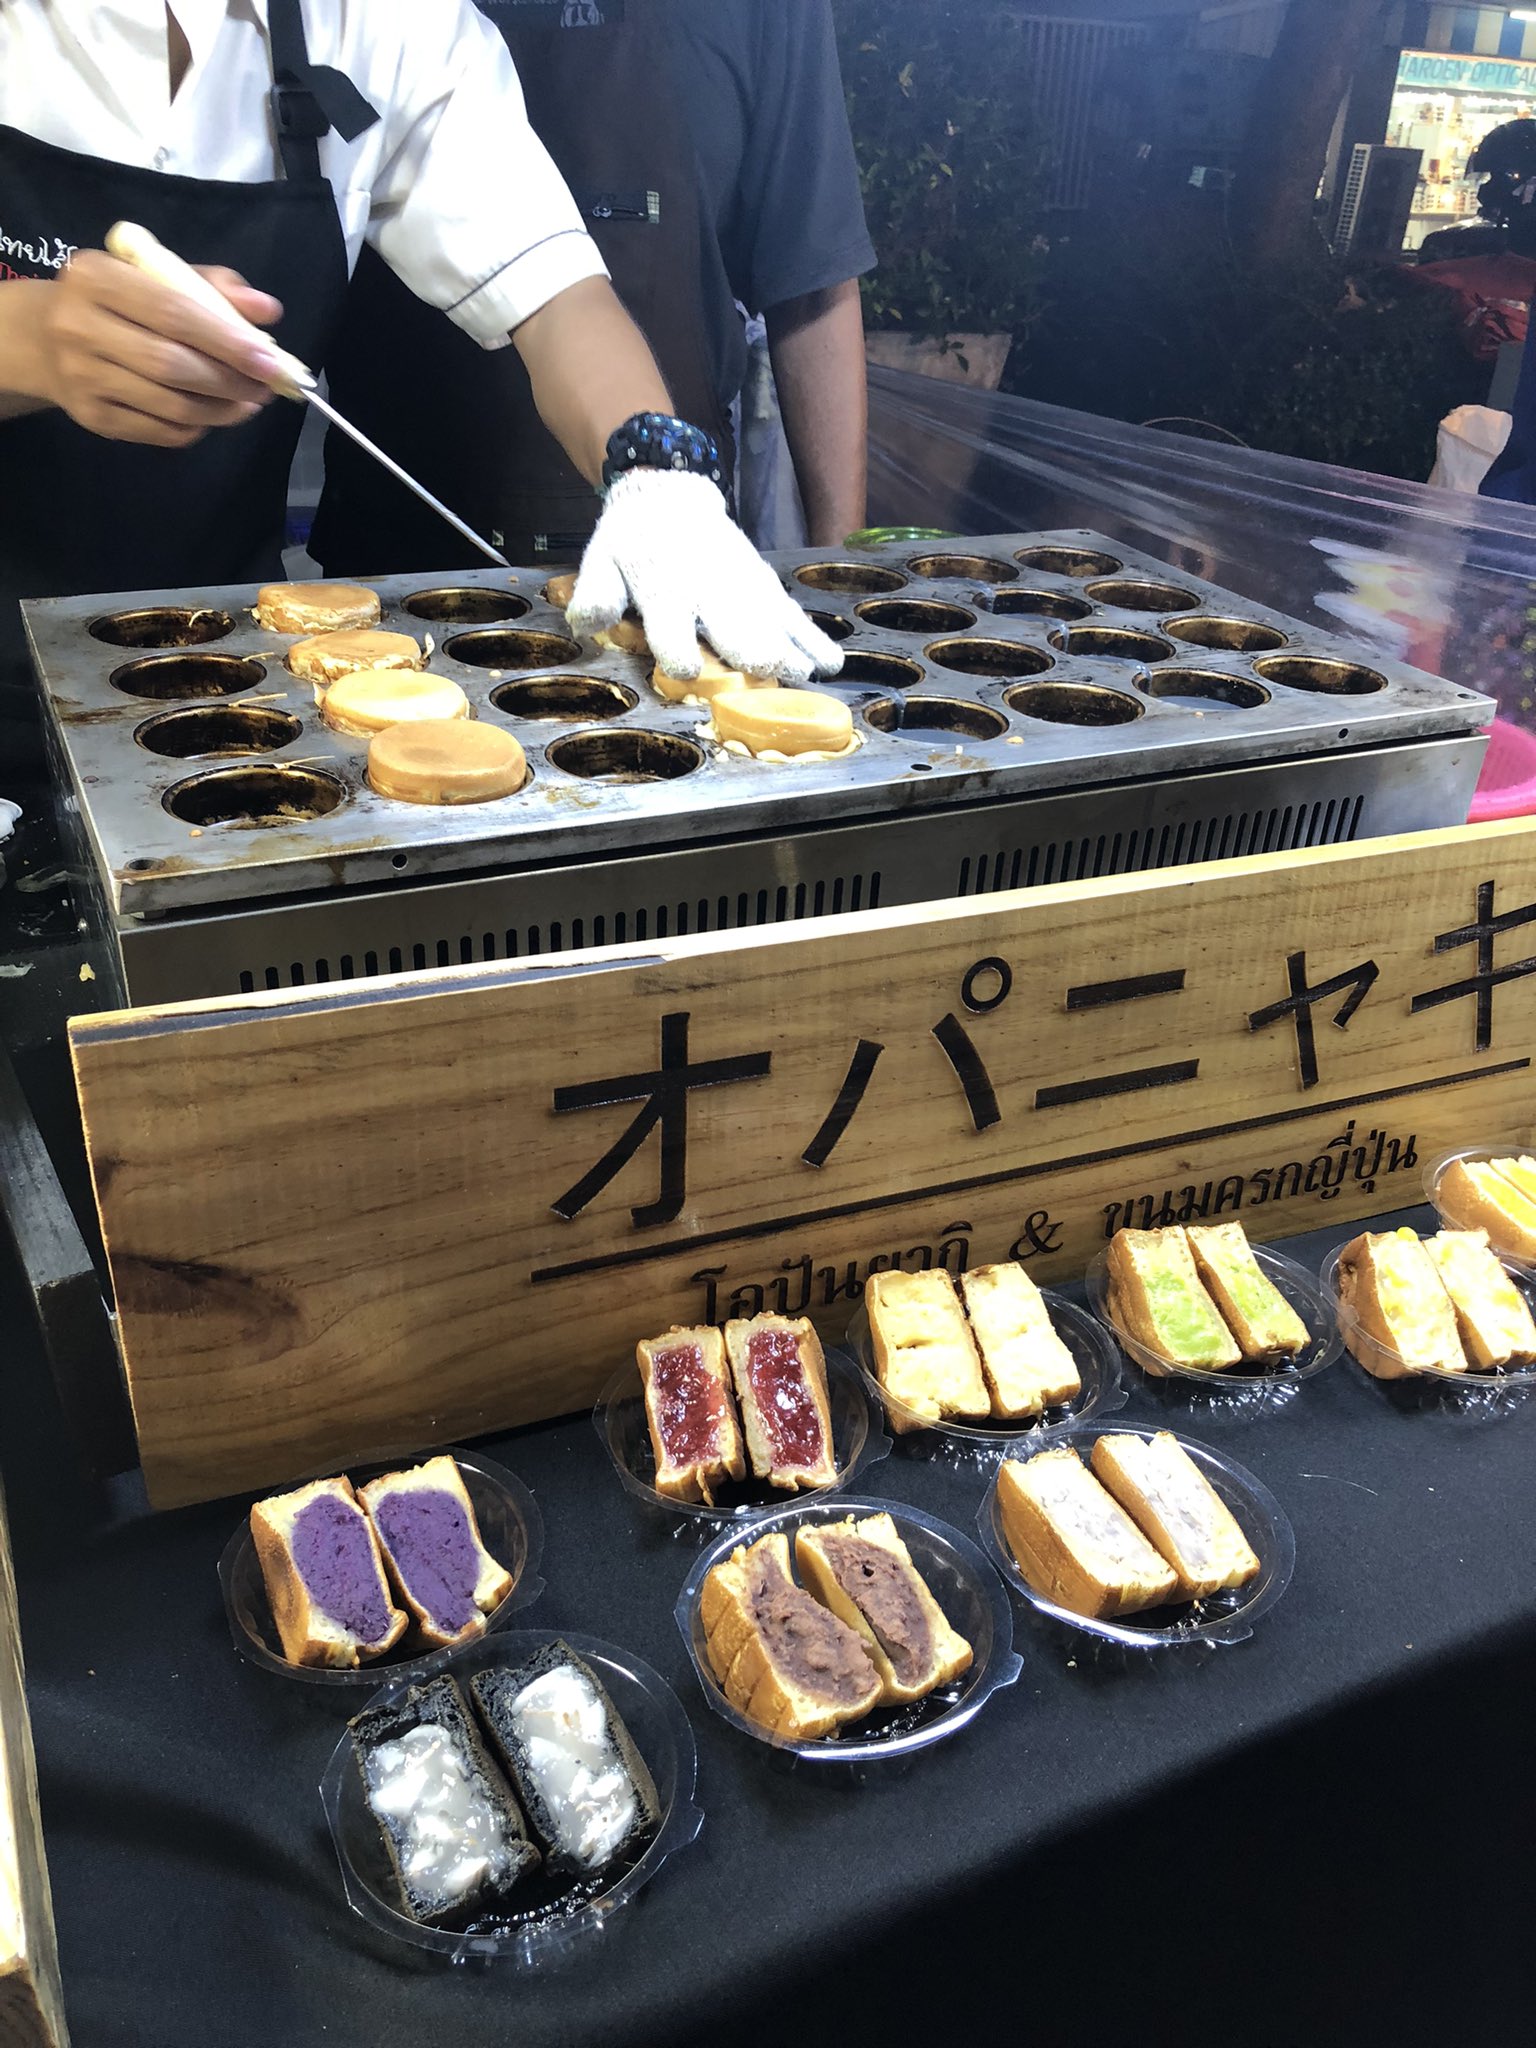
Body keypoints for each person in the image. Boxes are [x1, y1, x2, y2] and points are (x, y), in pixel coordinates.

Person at [0, 0, 840, 789]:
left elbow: (558, 300)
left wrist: (658, 473)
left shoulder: (381, 20)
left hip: (223, 668)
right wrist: (30, 341)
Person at [308, 0, 874, 575]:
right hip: (391, 548)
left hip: (679, 551)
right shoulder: (381, 21)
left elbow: (555, 294)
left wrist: (661, 486)